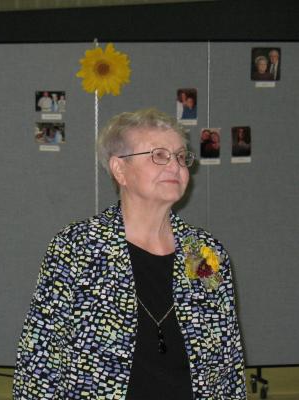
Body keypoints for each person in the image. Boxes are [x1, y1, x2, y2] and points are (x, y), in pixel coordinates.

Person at [13, 108, 246, 399]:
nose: (174, 166)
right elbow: (39, 360)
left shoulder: (202, 252)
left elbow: (228, 358)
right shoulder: (77, 247)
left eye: (180, 156)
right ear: (119, 169)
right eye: (159, 155)